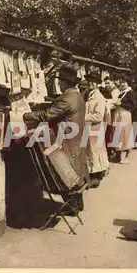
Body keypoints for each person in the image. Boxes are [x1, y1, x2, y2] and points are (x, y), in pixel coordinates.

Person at [23, 64, 89, 215]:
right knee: (76, 170)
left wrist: (26, 115)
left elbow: (47, 115)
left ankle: (72, 206)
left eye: (60, 81)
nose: (58, 83)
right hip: (77, 138)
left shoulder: (67, 98)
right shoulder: (77, 95)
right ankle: (78, 204)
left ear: (64, 83)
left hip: (66, 140)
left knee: (64, 172)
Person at [83, 71, 110, 188]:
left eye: (93, 82)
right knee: (88, 150)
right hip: (87, 127)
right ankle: (91, 174)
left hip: (95, 127)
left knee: (95, 150)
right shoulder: (86, 94)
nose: (90, 84)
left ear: (97, 84)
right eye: (89, 81)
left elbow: (98, 116)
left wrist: (82, 117)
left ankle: (96, 177)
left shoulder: (99, 98)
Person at [112, 75, 135, 164]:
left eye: (123, 82)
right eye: (121, 82)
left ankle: (127, 156)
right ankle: (118, 156)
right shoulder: (122, 92)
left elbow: (133, 106)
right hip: (118, 114)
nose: (121, 84)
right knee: (118, 134)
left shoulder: (130, 92)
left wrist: (121, 104)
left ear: (127, 83)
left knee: (125, 135)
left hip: (125, 114)